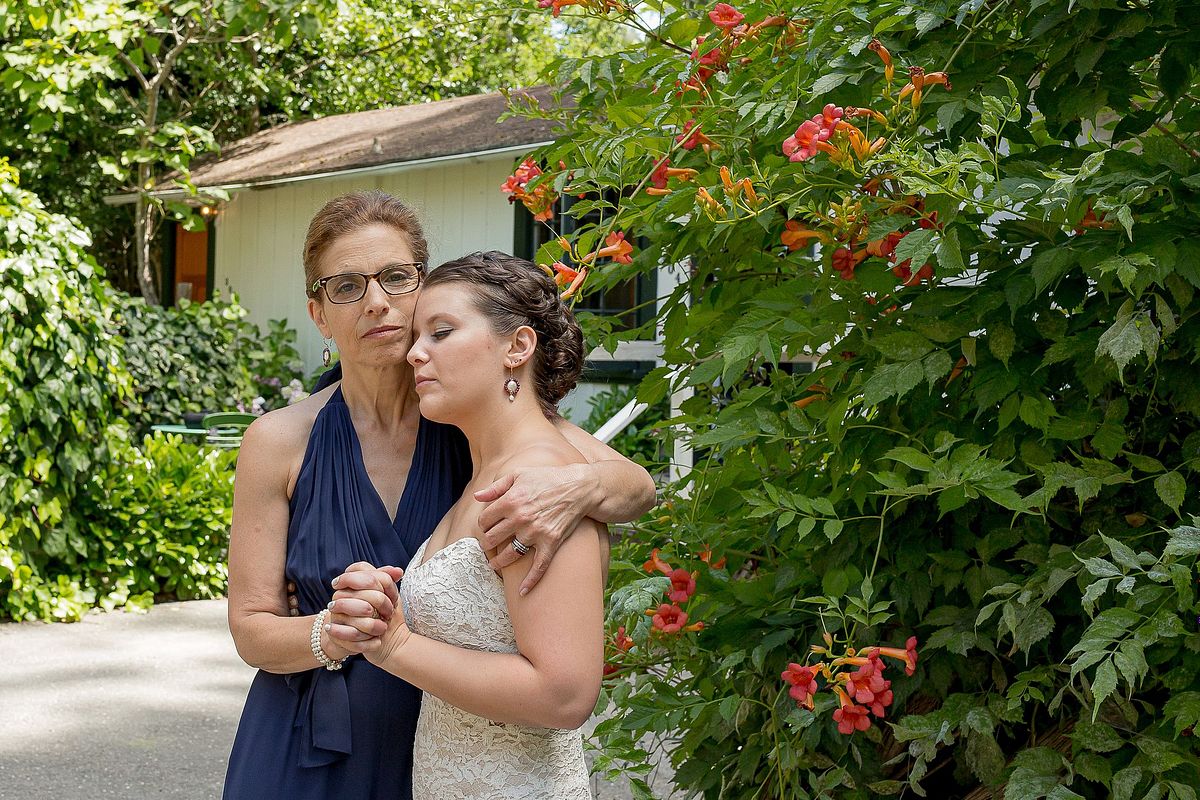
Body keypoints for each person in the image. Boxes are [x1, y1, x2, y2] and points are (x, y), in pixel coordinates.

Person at [222, 193, 655, 800]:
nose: (377, 302)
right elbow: (252, 629)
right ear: (319, 314)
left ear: (421, 285)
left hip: (456, 739)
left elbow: (637, 486)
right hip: (310, 745)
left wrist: (577, 485)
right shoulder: (279, 441)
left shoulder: (468, 412)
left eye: (395, 277)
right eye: (346, 286)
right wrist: (332, 630)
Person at [327, 251, 608, 798]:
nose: (414, 353)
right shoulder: (484, 471)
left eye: (441, 332)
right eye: (417, 337)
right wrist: (379, 601)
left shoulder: (539, 489)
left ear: (517, 346)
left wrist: (393, 646)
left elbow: (565, 695)